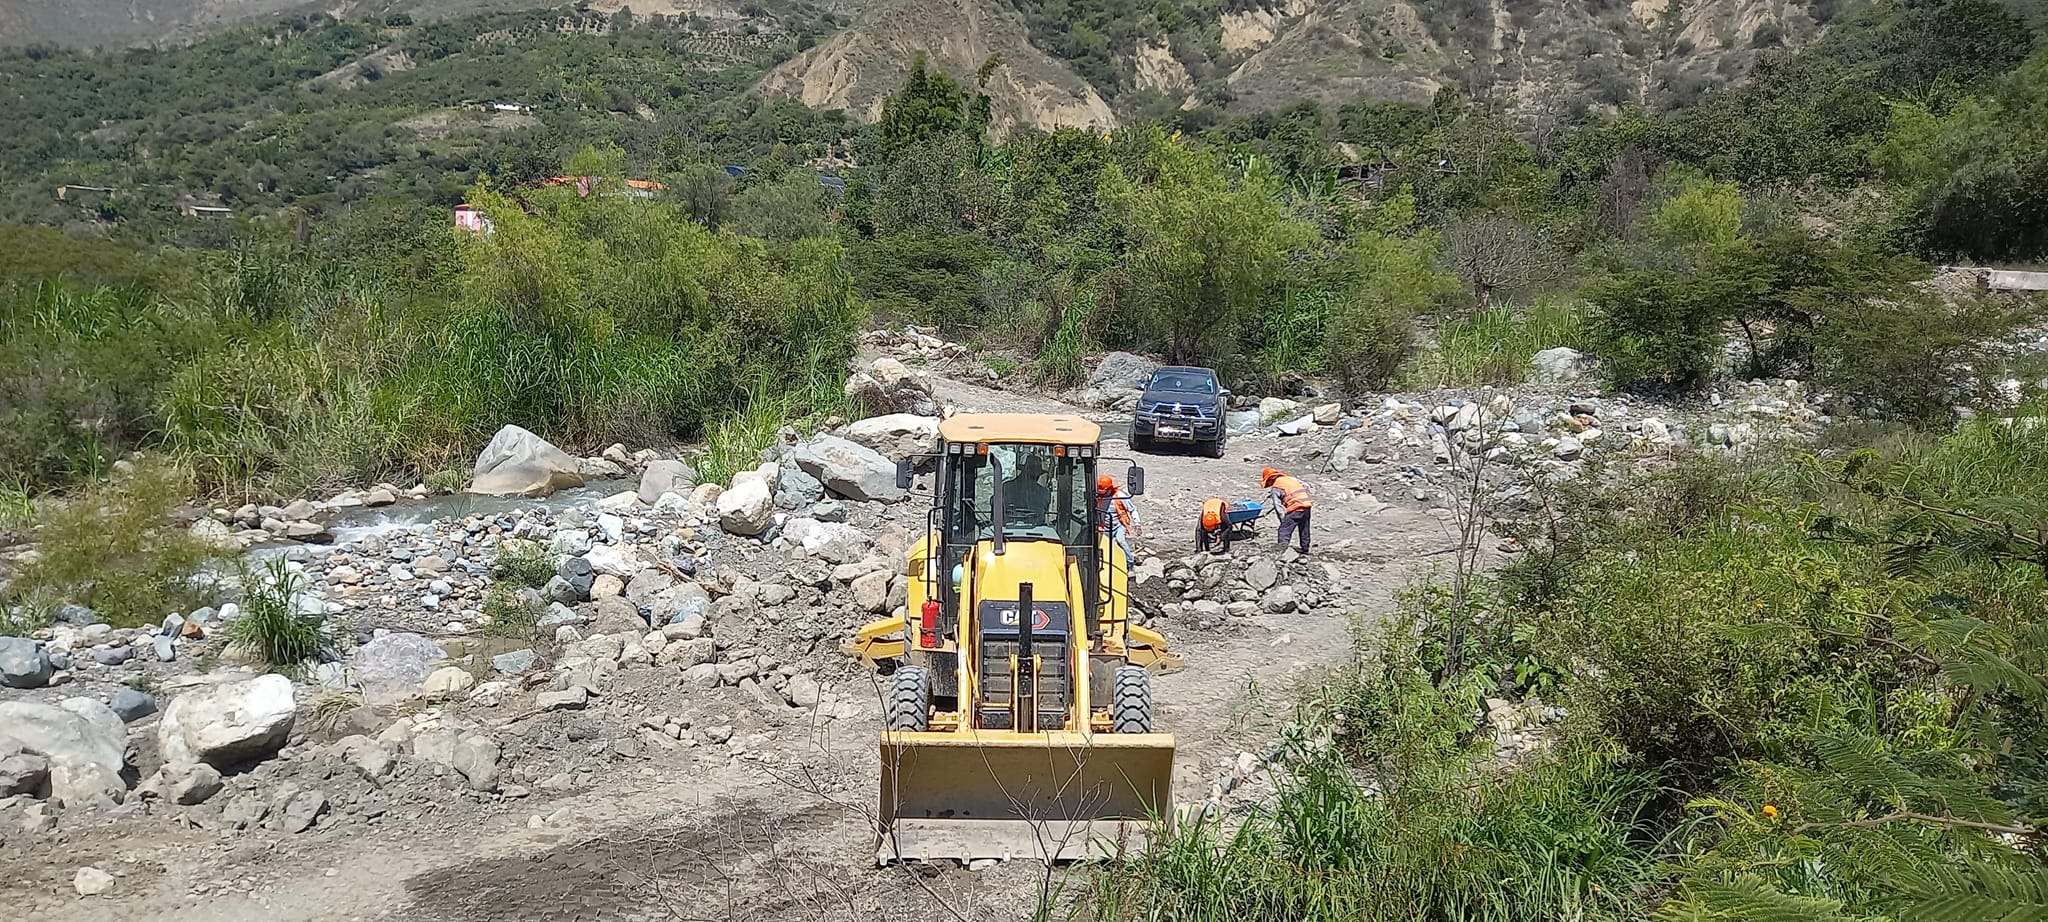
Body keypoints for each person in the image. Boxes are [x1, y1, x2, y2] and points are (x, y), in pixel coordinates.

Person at [1261, 467, 1312, 554]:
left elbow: (1278, 508)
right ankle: (1305, 549)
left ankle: (1282, 551)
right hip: (1307, 505)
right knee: (1304, 528)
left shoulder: (1276, 487)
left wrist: (1283, 521)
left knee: (1284, 530)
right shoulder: (1291, 479)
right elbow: (1306, 486)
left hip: (1295, 507)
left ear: (1270, 480)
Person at [1096, 474, 1141, 558]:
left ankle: (1130, 562)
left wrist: (1137, 524)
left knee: (1121, 541)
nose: (1101, 494)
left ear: (1109, 488)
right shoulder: (1098, 497)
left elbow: (1132, 509)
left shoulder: (1119, 496)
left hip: (1119, 525)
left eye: (1103, 492)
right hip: (1105, 527)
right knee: (1102, 545)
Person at [1003, 452, 1052, 523]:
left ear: (1023, 471)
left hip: (1004, 530)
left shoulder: (1005, 487)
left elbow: (994, 505)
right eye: (1038, 474)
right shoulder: (1044, 493)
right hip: (1036, 531)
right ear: (1037, 475)